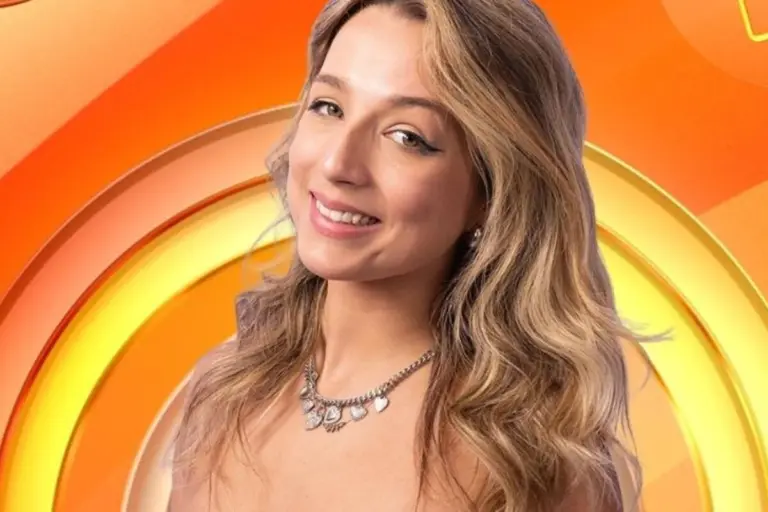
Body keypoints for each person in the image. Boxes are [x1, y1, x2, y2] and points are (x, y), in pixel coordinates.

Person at [168, 0, 646, 510]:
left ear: (491, 192)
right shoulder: (223, 390)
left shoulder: (528, 459)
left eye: (407, 137)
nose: (337, 164)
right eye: (329, 107)